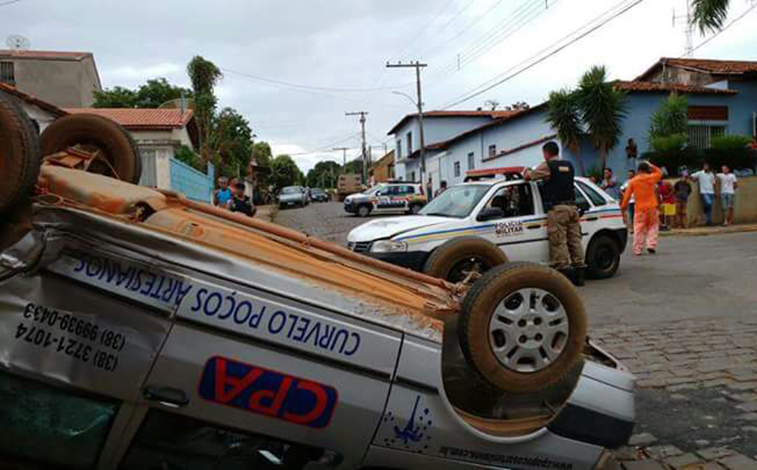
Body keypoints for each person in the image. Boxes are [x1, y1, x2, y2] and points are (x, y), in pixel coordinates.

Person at [523, 142, 585, 286]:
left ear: (546, 153)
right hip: (572, 209)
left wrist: (525, 171)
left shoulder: (547, 166)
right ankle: (580, 273)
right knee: (575, 240)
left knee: (559, 241)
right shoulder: (569, 165)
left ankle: (564, 276)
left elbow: (528, 177)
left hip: (558, 210)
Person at [621, 162, 663, 256]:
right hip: (652, 207)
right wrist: (651, 165)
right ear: (647, 170)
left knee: (639, 228)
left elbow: (627, 196)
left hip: (640, 208)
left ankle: (638, 249)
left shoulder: (633, 181)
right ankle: (651, 245)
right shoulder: (651, 178)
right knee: (653, 226)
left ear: (638, 170)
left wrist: (623, 208)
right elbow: (660, 172)